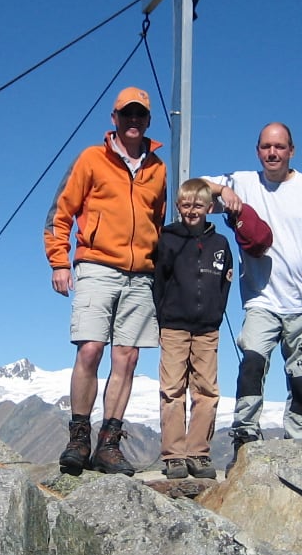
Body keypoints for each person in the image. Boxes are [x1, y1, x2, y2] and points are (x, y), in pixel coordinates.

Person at [204, 122, 302, 466]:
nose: (272, 153)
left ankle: (296, 447)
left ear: (292, 151)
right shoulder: (243, 182)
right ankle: (245, 440)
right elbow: (191, 189)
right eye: (266, 147)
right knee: (252, 364)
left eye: (279, 147)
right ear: (257, 151)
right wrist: (223, 189)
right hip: (261, 300)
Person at [43, 86, 167, 475]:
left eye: (140, 114)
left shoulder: (158, 169)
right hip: (96, 265)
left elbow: (159, 221)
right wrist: (59, 262)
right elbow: (60, 212)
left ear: (148, 121)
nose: (133, 120)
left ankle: (108, 445)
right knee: (90, 349)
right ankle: (78, 438)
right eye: (126, 113)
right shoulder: (91, 159)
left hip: (141, 275)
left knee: (127, 357)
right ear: (114, 118)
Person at [151, 178, 234, 480]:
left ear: (210, 208)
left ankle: (198, 452)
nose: (191, 210)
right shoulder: (168, 239)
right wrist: (164, 315)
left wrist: (215, 314)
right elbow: (159, 281)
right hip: (174, 326)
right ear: (178, 206)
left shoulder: (220, 244)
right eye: (185, 205)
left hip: (207, 328)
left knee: (207, 390)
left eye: (198, 205)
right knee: (172, 389)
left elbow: (225, 283)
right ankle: (174, 455)